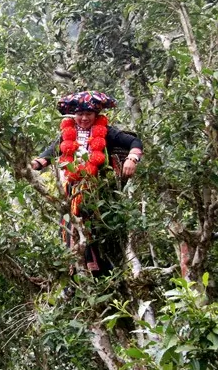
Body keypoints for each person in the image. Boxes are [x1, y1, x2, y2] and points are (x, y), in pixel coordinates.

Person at [31, 90, 143, 276]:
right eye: (80, 114)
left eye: (88, 114)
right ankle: (73, 267)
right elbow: (50, 152)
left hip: (98, 190)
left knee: (97, 230)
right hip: (72, 189)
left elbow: (134, 141)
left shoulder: (107, 132)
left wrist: (132, 159)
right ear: (74, 115)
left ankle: (101, 272)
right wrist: (36, 163)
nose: (84, 118)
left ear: (96, 115)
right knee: (69, 225)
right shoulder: (67, 133)